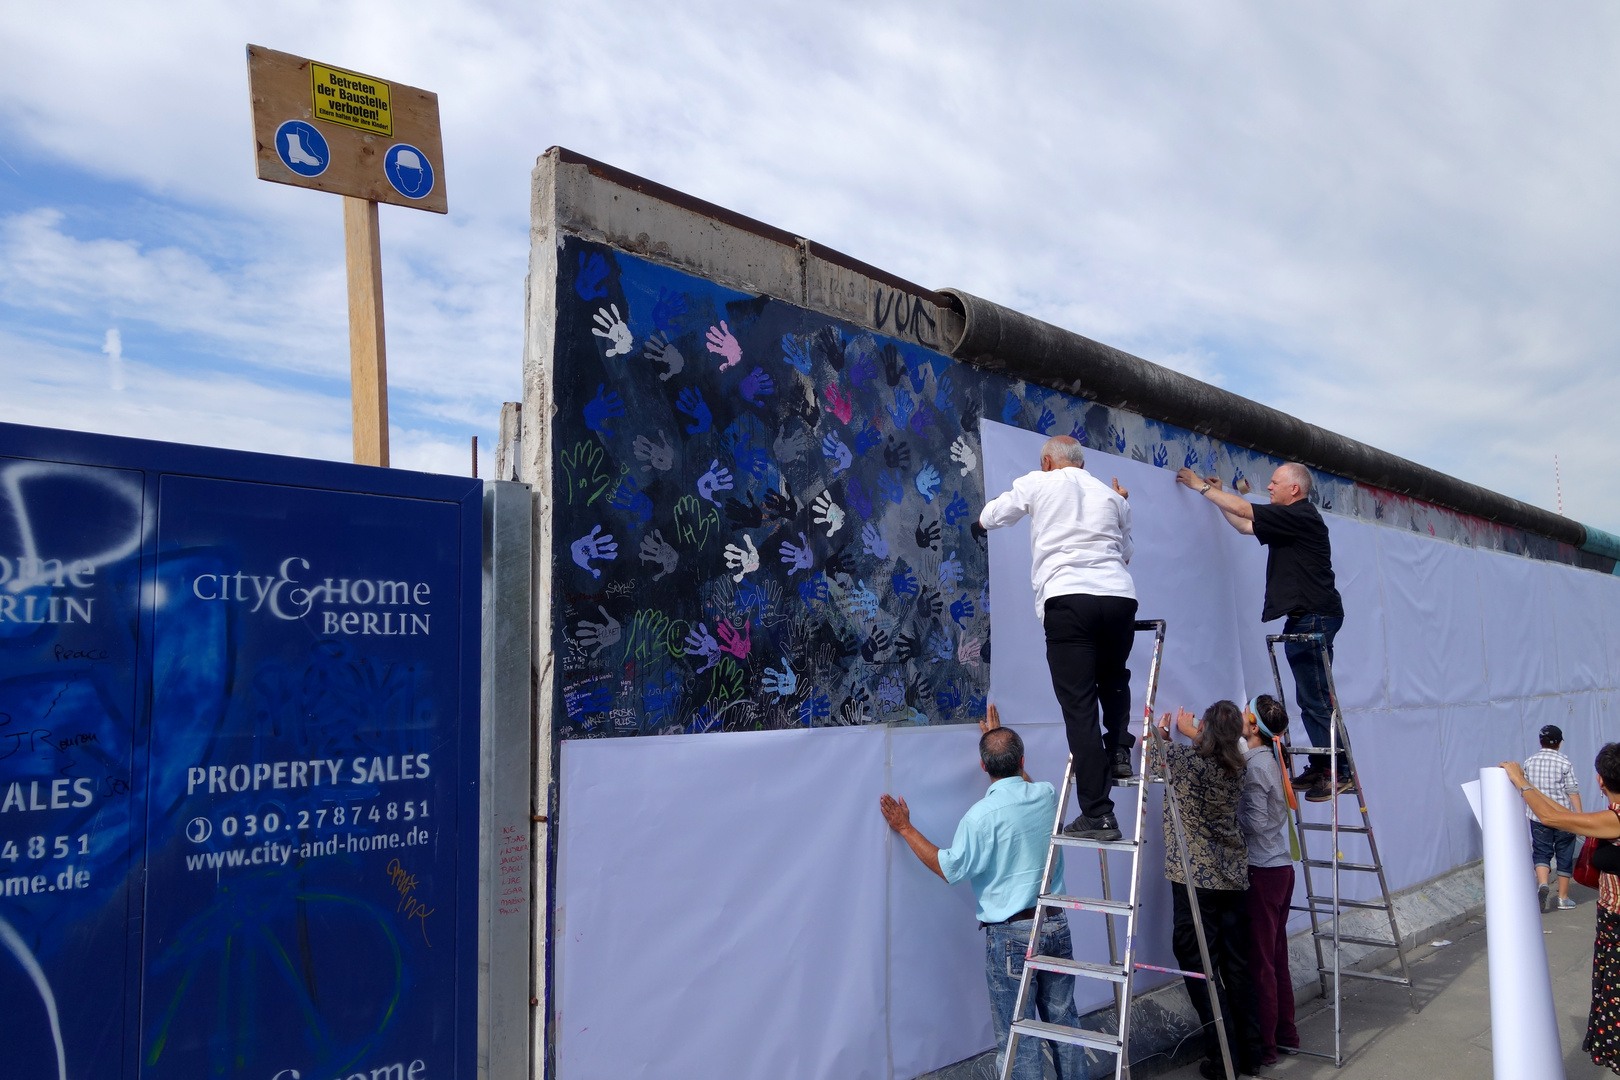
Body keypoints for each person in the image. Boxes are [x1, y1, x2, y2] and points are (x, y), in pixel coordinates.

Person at [880, 705, 1096, 1080]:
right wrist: (1001, 741)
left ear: (983, 768)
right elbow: (1023, 782)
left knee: (1020, 1037)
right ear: (1023, 760)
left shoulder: (980, 817)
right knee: (1064, 1023)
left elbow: (948, 868)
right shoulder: (1046, 795)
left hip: (1012, 937)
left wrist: (905, 828)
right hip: (1055, 925)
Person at [980, 435, 1136, 841]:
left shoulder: (1039, 480)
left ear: (1049, 462)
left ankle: (1099, 813)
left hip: (1069, 598)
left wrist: (979, 522)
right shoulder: (1112, 496)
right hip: (1119, 597)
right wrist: (1122, 503)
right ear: (1081, 464)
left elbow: (996, 514)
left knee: (1080, 706)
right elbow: (1126, 552)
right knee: (1115, 677)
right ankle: (1120, 751)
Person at [1175, 462, 1348, 803]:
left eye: (1274, 482)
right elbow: (1243, 524)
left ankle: (1338, 769)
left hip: (1314, 617)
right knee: (1309, 698)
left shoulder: (1302, 515)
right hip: (1306, 617)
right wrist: (1215, 495)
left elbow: (1242, 507)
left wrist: (1200, 487)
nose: (1268, 487)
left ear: (1294, 489)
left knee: (1315, 698)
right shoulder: (1290, 521)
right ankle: (1322, 763)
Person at [1150, 701, 1265, 1078]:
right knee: (1237, 966)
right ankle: (1251, 1052)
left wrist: (1165, 733)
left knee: (1199, 966)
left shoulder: (1186, 763)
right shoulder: (1240, 765)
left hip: (1195, 878)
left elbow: (1154, 757)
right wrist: (1193, 733)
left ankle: (1224, 1056)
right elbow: (1217, 747)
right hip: (1233, 874)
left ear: (1206, 732)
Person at [1502, 744, 1620, 1074]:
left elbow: (1554, 817)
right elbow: (1563, 816)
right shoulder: (1610, 816)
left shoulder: (1615, 820)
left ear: (1600, 780)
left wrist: (1520, 781)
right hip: (1612, 926)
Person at [1239, 695, 1299, 1065]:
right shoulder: (1274, 759)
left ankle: (1267, 1047)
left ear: (1253, 725)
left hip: (1262, 871)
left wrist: (1228, 820)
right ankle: (1286, 1034)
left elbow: (1256, 824)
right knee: (1276, 958)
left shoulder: (1255, 766)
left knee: (1261, 963)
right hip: (1281, 868)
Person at [1522, 724, 1584, 912]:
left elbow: (1525, 787)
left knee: (1541, 852)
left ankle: (1542, 884)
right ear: (1558, 743)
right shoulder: (1564, 762)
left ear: (1540, 742)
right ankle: (1563, 898)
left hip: (1539, 816)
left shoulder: (1529, 762)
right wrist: (1579, 817)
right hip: (1563, 816)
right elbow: (1572, 790)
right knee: (1564, 854)